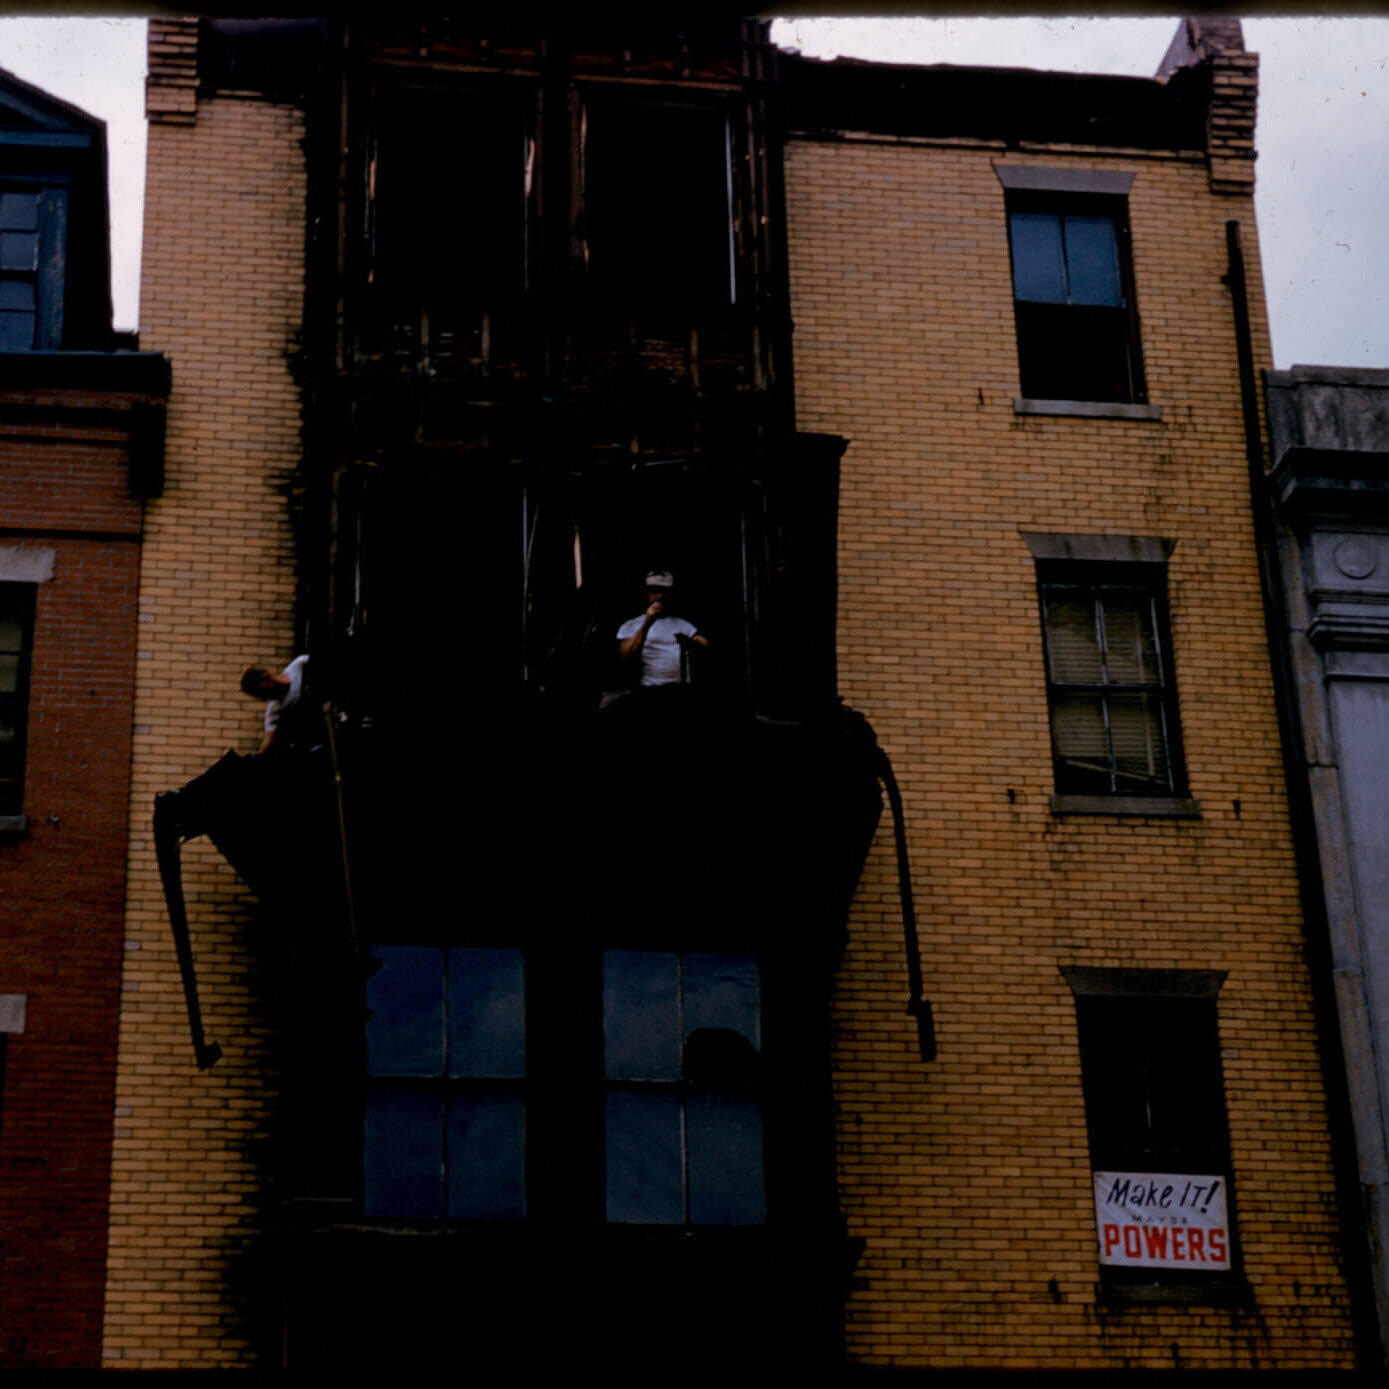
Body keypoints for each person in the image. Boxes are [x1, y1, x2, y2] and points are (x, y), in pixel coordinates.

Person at [616, 571, 708, 687]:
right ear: (646, 594)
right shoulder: (632, 625)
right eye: (655, 591)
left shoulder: (683, 624)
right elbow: (625, 656)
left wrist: (700, 642)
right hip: (649, 688)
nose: (660, 596)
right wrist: (647, 623)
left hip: (680, 689)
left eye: (664, 592)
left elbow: (703, 648)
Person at [240, 654, 311, 753]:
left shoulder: (297, 666)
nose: (263, 697)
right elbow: (268, 739)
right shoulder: (275, 709)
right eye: (259, 695)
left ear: (266, 676)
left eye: (261, 691)